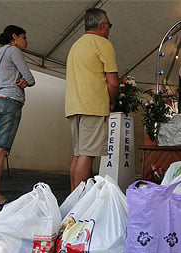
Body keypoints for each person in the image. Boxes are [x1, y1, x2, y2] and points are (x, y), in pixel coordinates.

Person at [65, 8, 119, 191]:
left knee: (78, 154)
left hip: (74, 106)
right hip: (93, 106)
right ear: (102, 25)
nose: (109, 30)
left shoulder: (76, 45)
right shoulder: (102, 43)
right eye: (109, 25)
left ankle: (73, 198)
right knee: (87, 156)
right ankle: (80, 200)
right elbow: (113, 83)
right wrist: (112, 101)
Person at [0, 25, 35, 206]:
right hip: (11, 100)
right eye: (24, 37)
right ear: (14, 36)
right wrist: (26, 81)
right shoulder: (13, 51)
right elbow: (30, 78)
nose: (26, 42)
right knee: (1, 149)